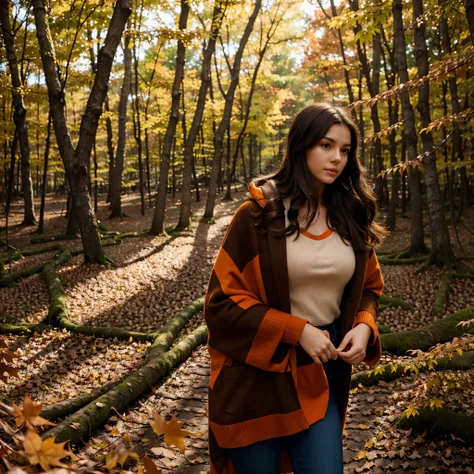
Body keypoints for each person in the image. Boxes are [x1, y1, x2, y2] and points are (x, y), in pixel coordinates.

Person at [204, 102, 385, 474]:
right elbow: (221, 304)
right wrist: (297, 330)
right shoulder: (258, 214)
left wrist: (364, 326)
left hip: (322, 369)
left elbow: (369, 287)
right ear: (301, 146)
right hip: (255, 379)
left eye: (345, 150)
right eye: (325, 145)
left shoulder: (351, 215)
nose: (337, 158)